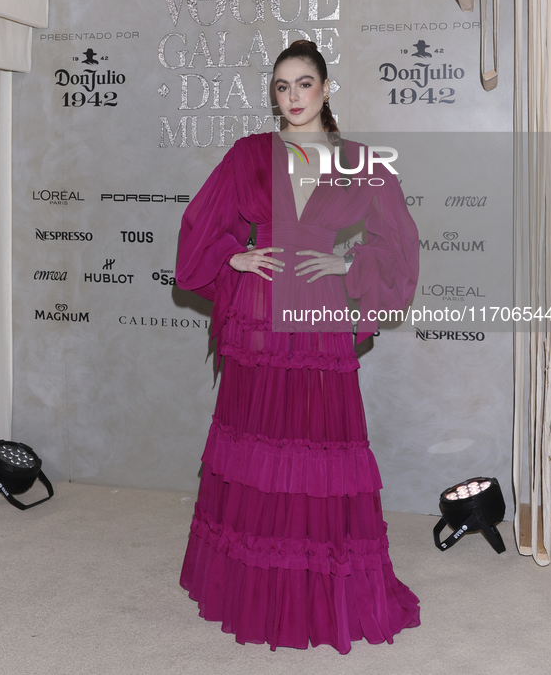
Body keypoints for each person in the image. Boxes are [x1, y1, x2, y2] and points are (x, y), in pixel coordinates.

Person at [175, 40, 420, 653]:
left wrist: (345, 263)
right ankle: (251, 587)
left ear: (327, 88)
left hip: (318, 320)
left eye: (304, 84)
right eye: (282, 87)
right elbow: (200, 224)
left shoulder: (362, 161)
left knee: (319, 447)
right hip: (259, 318)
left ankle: (321, 588)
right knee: (258, 448)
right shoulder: (249, 155)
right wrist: (233, 254)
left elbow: (400, 249)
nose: (293, 98)